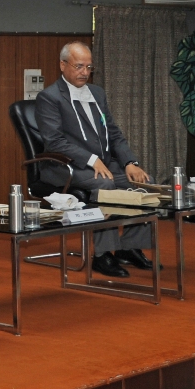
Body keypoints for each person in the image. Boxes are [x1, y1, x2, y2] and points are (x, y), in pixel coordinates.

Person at [35, 41, 154, 278]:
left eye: (89, 67)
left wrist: (130, 162)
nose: (85, 72)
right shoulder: (49, 97)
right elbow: (54, 142)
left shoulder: (97, 93)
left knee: (144, 182)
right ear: (62, 65)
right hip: (65, 166)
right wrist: (91, 160)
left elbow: (113, 132)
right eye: (79, 66)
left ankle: (129, 247)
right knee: (105, 185)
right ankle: (102, 255)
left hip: (101, 163)